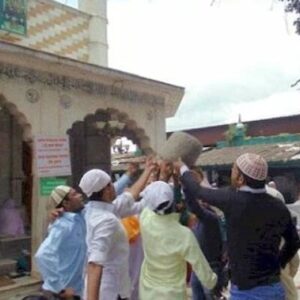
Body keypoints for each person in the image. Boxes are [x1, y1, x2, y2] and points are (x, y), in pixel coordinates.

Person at [178, 153, 300, 300]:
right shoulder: (278, 206)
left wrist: (182, 168)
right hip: (273, 288)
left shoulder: (233, 200)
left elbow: (198, 191)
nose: (231, 173)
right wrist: (279, 263)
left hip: (245, 291)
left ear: (241, 178)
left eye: (234, 170)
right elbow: (294, 241)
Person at [79, 160, 153, 300]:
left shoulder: (96, 209)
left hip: (115, 288)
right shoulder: (105, 220)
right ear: (107, 190)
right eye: (111, 183)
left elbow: (128, 197)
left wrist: (148, 170)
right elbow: (95, 263)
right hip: (109, 291)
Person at [139, 180, 217, 300]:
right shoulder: (184, 235)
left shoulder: (145, 219)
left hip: (148, 293)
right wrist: (212, 281)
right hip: (173, 295)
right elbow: (201, 267)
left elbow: (151, 207)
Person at [35, 186, 86, 299]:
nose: (80, 195)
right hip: (63, 293)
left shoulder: (80, 218)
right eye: (74, 194)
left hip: (77, 290)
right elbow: (43, 255)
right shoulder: (62, 225)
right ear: (66, 203)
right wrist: (59, 288)